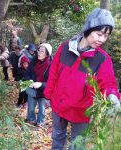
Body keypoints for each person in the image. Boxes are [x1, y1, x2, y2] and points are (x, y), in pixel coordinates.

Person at [44, 8, 120, 150]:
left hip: (81, 111)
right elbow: (53, 74)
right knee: (57, 136)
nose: (102, 39)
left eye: (106, 36)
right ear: (89, 28)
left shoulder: (102, 59)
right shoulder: (65, 48)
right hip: (58, 105)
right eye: (99, 34)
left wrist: (113, 96)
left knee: (77, 144)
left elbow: (108, 83)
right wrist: (48, 96)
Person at [24, 43, 52, 126]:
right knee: (31, 108)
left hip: (43, 91)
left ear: (47, 53)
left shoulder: (51, 65)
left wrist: (41, 84)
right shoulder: (33, 61)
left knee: (42, 108)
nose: (39, 53)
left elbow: (52, 82)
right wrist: (30, 81)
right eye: (39, 50)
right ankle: (31, 119)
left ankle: (40, 122)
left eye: (42, 51)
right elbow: (27, 74)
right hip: (32, 89)